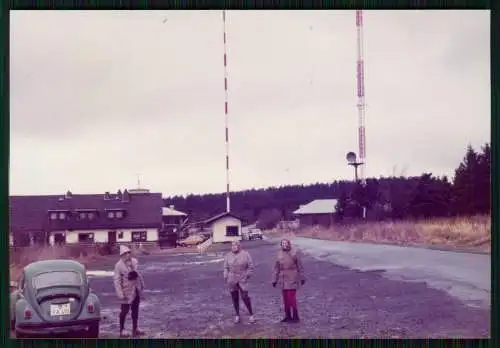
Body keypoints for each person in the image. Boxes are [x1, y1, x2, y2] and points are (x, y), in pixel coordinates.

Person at [113, 245, 146, 337]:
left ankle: (135, 329)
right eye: (125, 253)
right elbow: (117, 280)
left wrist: (141, 285)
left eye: (128, 252)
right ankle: (122, 329)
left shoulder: (134, 262)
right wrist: (120, 293)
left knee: (135, 310)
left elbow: (138, 274)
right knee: (124, 311)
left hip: (135, 289)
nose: (127, 255)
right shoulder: (118, 265)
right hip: (126, 291)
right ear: (122, 255)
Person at [272, 238, 305, 323]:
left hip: (292, 276)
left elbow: (300, 266)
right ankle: (287, 316)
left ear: (289, 244)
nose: (284, 245)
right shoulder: (279, 254)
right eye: (282, 243)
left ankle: (295, 316)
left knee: (292, 298)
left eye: (285, 243)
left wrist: (302, 277)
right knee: (285, 298)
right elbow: (276, 268)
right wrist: (274, 279)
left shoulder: (294, 252)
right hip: (282, 278)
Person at [223, 240, 256, 324]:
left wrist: (247, 275)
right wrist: (226, 275)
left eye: (235, 245)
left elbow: (251, 266)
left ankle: (251, 314)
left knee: (245, 297)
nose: (234, 247)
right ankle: (237, 315)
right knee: (234, 297)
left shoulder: (245, 254)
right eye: (232, 245)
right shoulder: (228, 255)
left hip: (242, 277)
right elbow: (226, 267)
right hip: (231, 278)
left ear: (239, 246)